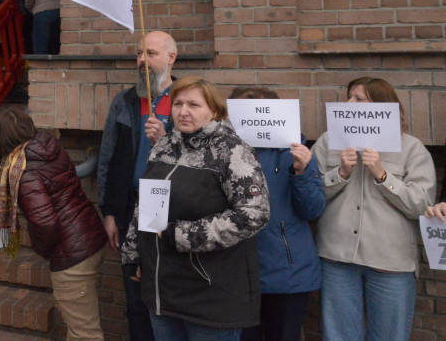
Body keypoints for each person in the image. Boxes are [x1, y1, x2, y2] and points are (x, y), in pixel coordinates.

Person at [122, 76, 270, 339]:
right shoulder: (164, 146)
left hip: (210, 291)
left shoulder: (231, 150)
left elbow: (254, 213)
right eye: (178, 103)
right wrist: (135, 252)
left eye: (193, 104)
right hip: (163, 286)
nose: (183, 111)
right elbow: (148, 203)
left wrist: (182, 235)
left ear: (214, 110)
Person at [312, 76, 435, 341]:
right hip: (337, 257)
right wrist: (340, 174)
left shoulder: (411, 148)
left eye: (358, 98)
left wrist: (382, 175)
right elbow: (309, 197)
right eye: (348, 97)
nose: (349, 103)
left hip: (391, 261)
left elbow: (422, 205)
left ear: (381, 105)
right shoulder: (327, 142)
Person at [0, 108, 107, 341]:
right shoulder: (49, 148)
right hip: (91, 239)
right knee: (80, 330)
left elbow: (45, 224)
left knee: (85, 335)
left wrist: (42, 248)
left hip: (72, 256)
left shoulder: (23, 171)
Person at [97, 30, 178, 341]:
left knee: (165, 300)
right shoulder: (125, 101)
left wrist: (165, 140)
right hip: (130, 208)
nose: (142, 60)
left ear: (171, 57)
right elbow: (107, 158)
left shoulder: (186, 100)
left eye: (151, 53)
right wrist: (109, 213)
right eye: (139, 53)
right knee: (135, 300)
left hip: (172, 212)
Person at [229, 86, 324, 341]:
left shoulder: (296, 153)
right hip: (237, 274)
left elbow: (313, 210)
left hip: (286, 273)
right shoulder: (222, 153)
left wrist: (302, 173)